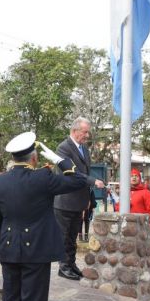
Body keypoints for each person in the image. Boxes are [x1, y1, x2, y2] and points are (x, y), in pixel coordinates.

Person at [0, 132, 88, 301]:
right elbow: (79, 180)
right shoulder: (43, 178)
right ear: (34, 157)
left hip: (9, 249)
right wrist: (59, 159)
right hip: (36, 251)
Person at [53, 117, 105, 280]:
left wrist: (89, 197)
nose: (87, 135)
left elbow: (86, 172)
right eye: (85, 132)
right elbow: (71, 172)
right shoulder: (63, 148)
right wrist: (92, 181)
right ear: (74, 131)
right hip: (65, 200)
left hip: (79, 200)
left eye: (88, 132)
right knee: (64, 236)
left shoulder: (84, 149)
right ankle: (63, 266)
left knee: (73, 235)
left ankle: (71, 263)